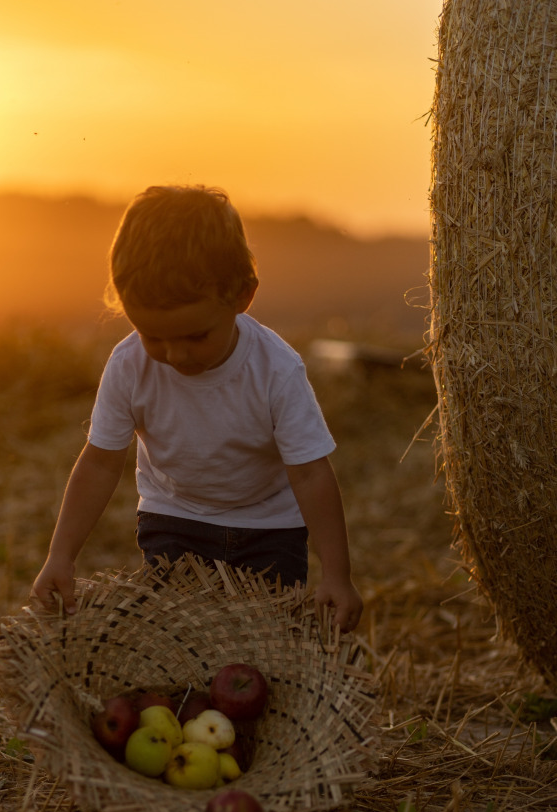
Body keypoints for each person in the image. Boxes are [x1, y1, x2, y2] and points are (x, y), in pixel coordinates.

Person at [31, 184, 363, 631]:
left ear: (242, 296)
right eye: (154, 337)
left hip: (270, 529)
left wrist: (337, 576)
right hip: (174, 521)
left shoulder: (277, 370)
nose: (176, 356)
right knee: (178, 647)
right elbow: (100, 463)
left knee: (263, 649)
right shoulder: (128, 366)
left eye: (195, 336)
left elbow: (310, 472)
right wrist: (61, 555)